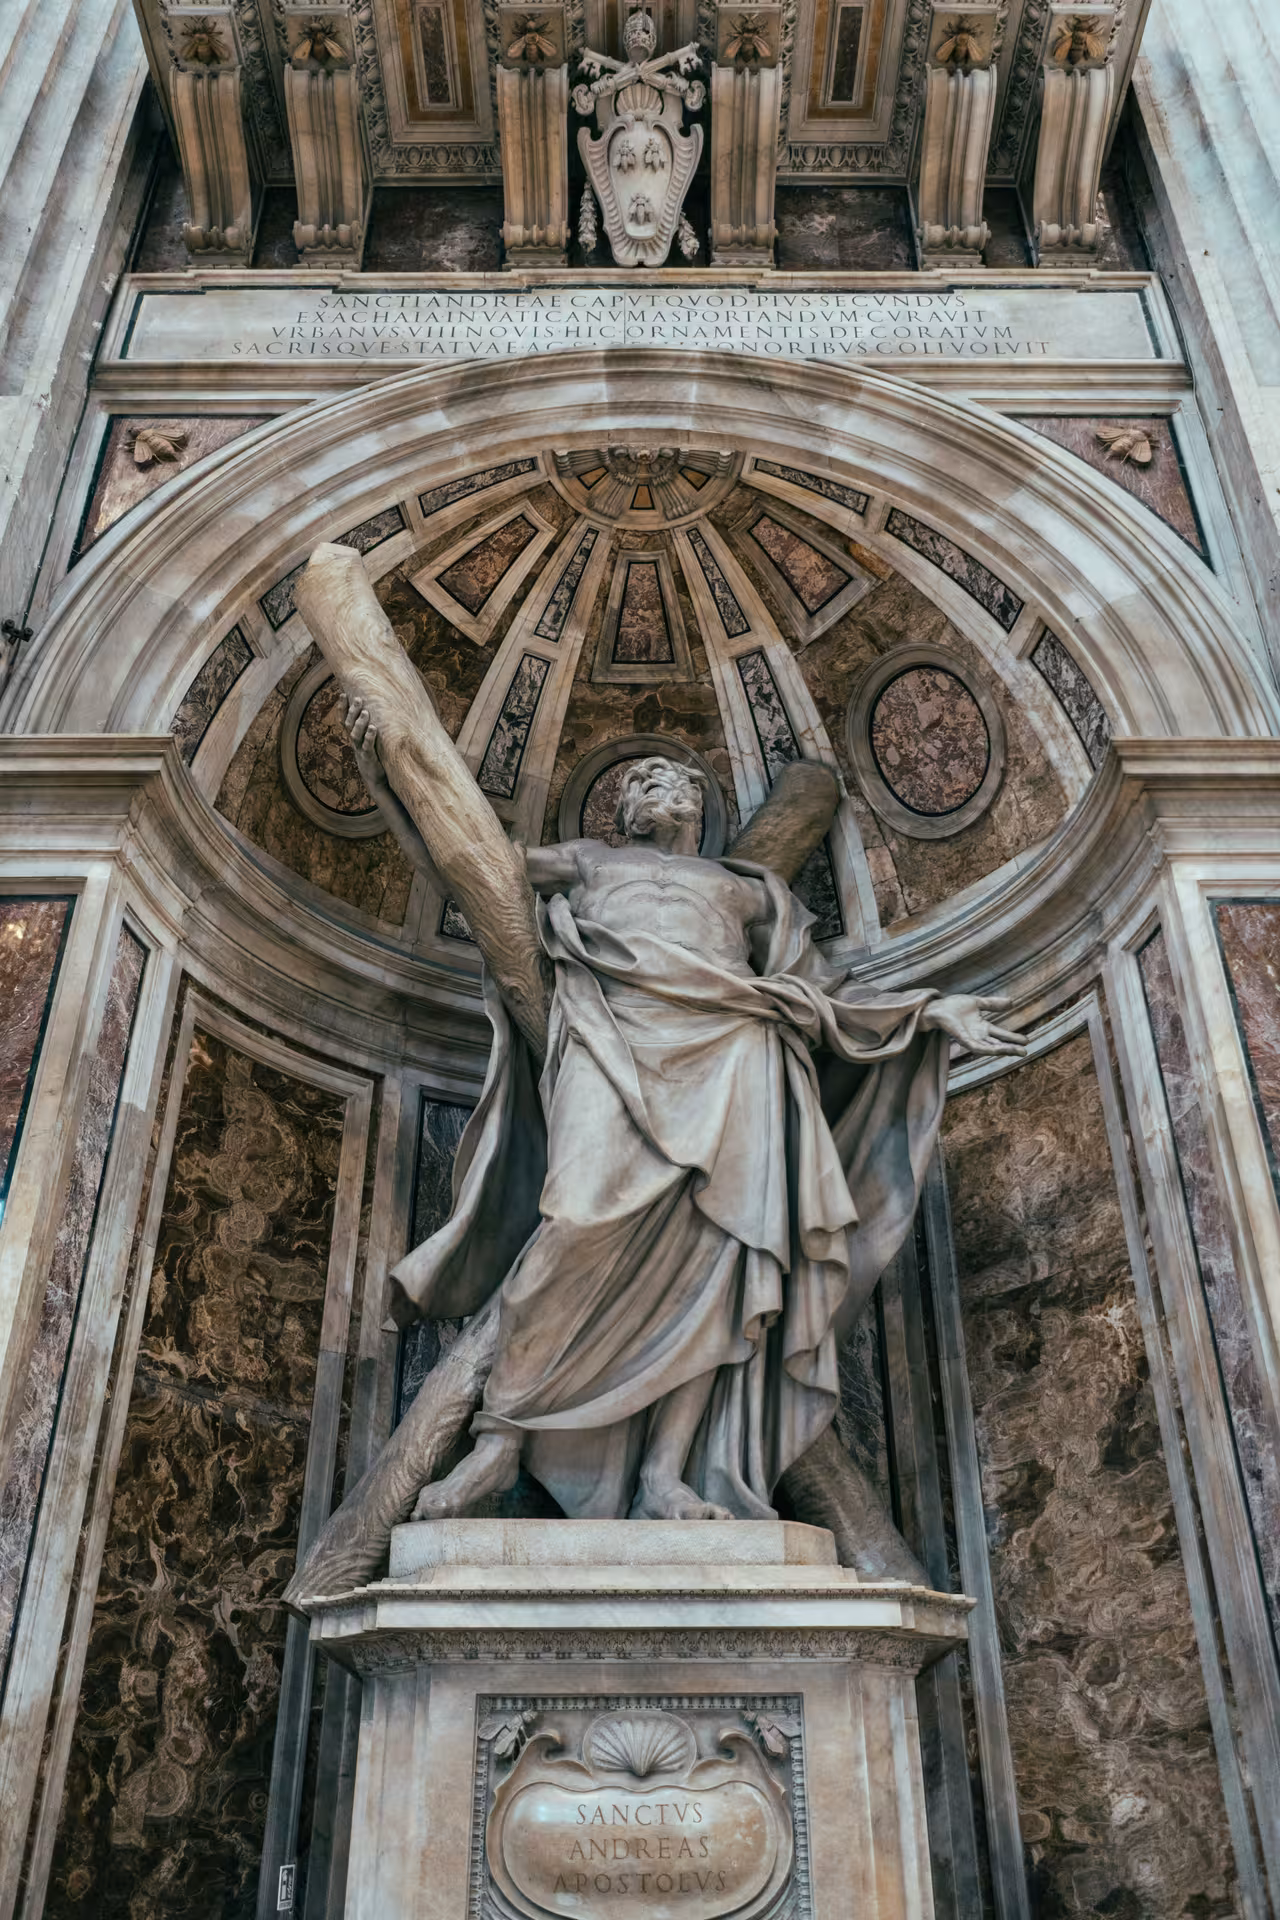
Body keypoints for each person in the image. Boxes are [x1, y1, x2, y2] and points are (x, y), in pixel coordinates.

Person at [342, 708, 1024, 1523]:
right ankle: (500, 1442)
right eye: (646, 783)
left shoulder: (742, 888)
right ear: (622, 810)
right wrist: (390, 786)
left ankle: (668, 1474)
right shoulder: (587, 863)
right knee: (570, 1222)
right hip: (613, 1042)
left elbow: (819, 997)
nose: (663, 792)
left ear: (700, 814)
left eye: (678, 785)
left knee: (721, 1263)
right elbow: (463, 864)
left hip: (735, 1053)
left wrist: (929, 1012)